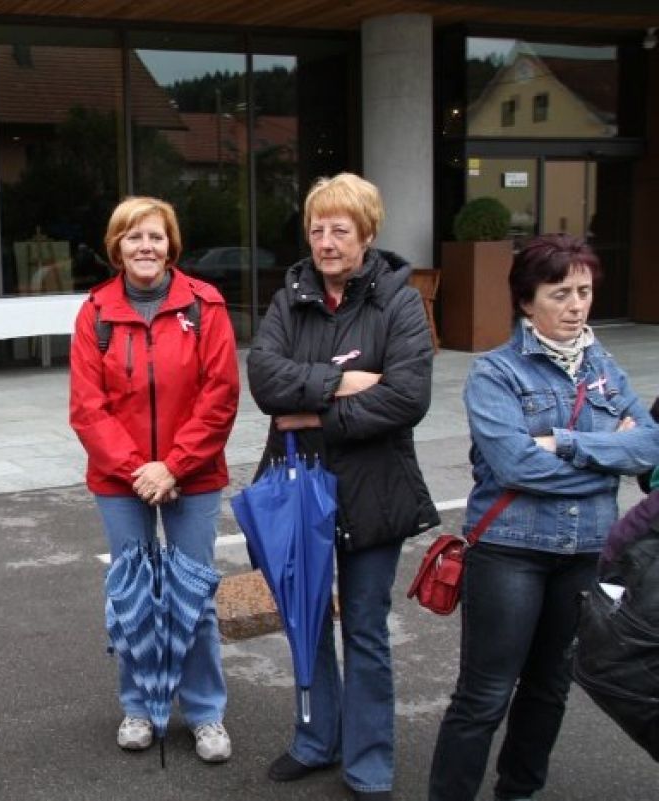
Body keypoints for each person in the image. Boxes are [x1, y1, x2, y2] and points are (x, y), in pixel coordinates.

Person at [427, 234, 659, 801]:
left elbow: (651, 446)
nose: (577, 306)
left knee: (550, 688)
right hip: (511, 550)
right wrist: (607, 461)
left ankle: (519, 792)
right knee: (484, 696)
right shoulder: (496, 373)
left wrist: (564, 443)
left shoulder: (604, 368)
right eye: (560, 294)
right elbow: (514, 465)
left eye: (584, 291)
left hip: (585, 551)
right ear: (527, 301)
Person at [247, 173, 437, 801]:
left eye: (340, 230)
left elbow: (407, 397)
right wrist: (346, 382)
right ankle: (315, 740)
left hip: (374, 489)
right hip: (297, 486)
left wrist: (312, 414)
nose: (326, 242)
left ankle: (369, 763)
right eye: (316, 229)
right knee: (305, 621)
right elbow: (265, 381)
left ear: (367, 234)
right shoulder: (289, 297)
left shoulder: (399, 303)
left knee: (364, 629)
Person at [69, 196, 240, 763]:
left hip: (194, 472)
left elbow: (221, 394)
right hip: (122, 480)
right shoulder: (95, 312)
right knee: (134, 597)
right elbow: (87, 407)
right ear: (116, 246)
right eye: (134, 236)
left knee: (196, 594)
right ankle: (140, 705)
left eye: (156, 236)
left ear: (172, 245)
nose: (146, 246)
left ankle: (206, 712)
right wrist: (138, 470)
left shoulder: (205, 305)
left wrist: (174, 465)